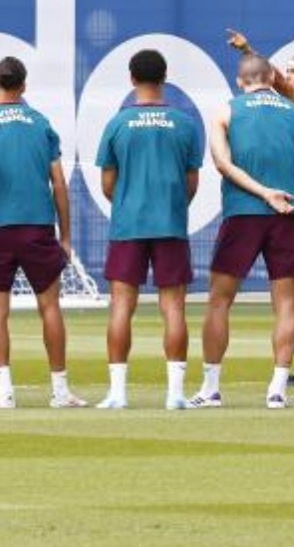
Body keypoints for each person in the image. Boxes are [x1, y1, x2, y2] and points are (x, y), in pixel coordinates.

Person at [194, 53, 294, 410]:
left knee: (219, 300)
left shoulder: (227, 110)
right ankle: (278, 388)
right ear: (271, 78)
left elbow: (222, 163)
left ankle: (210, 388)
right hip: (290, 213)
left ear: (240, 81)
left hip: (243, 213)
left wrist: (263, 192)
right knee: (285, 302)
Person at [0, 56, 82, 409]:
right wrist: (66, 236)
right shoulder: (40, 124)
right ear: (23, 86)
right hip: (37, 226)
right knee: (50, 305)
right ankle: (60, 391)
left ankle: (5, 392)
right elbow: (59, 184)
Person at [94, 48, 204, 410]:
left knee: (121, 306)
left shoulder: (118, 124)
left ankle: (117, 393)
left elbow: (107, 183)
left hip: (128, 225)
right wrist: (171, 205)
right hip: (170, 223)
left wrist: (129, 203)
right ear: (165, 77)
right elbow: (191, 183)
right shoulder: (184, 124)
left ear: (131, 78)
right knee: (173, 307)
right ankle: (175, 393)